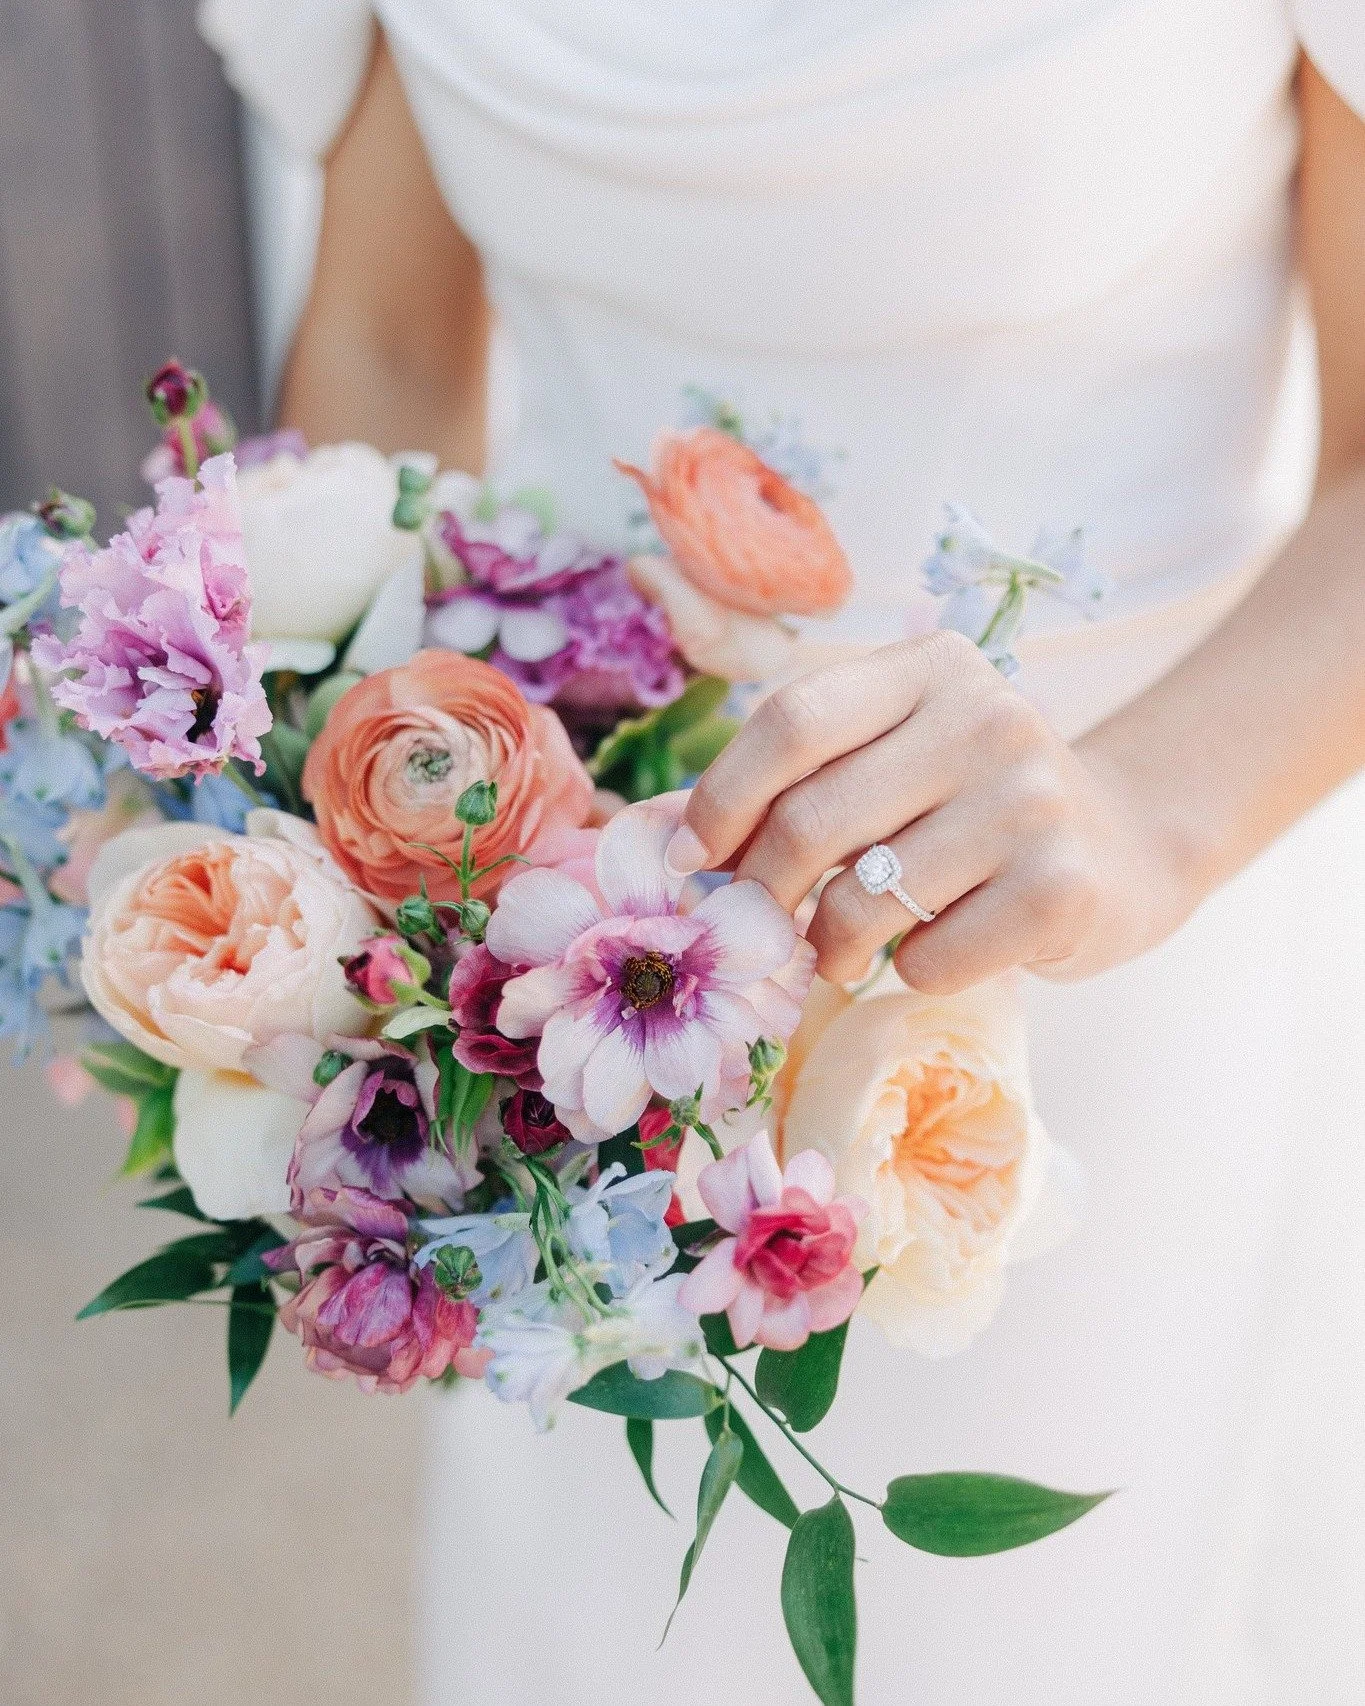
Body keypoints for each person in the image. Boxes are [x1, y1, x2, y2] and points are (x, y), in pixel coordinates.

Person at [202, 4, 1365, 1701]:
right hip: (593, 1046)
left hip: (1105, 979)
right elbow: (386, 354)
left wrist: (1135, 821)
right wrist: (320, 867)